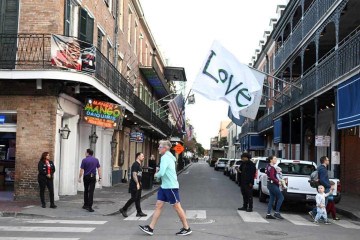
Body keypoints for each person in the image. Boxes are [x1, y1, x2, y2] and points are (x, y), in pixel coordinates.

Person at [139, 140, 192, 236]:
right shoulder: (168, 157)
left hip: (170, 186)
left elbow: (162, 173)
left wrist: (155, 175)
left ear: (164, 148)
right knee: (158, 205)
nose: (158, 148)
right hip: (164, 186)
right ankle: (150, 228)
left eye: (159, 147)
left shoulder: (165, 158)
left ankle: (186, 228)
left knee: (177, 207)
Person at [119, 152, 147, 218]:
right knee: (134, 198)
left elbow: (139, 174)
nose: (143, 157)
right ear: (138, 157)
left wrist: (140, 182)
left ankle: (139, 212)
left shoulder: (139, 165)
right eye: (142, 156)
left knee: (138, 198)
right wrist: (137, 183)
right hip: (134, 184)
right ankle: (123, 209)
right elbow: (134, 175)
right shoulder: (135, 164)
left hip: (138, 184)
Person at [265, 155, 284, 219]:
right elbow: (272, 176)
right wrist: (278, 181)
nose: (276, 160)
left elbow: (269, 175)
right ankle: (276, 212)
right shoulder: (272, 167)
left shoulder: (268, 166)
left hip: (270, 183)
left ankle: (268, 214)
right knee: (281, 197)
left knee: (272, 198)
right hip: (273, 184)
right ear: (271, 160)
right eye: (275, 159)